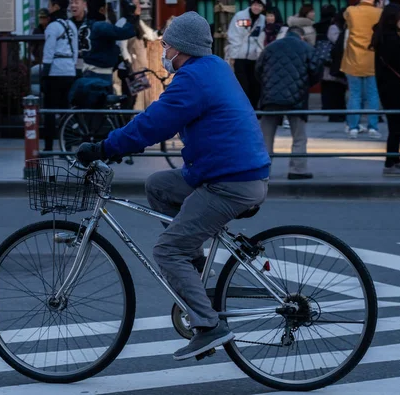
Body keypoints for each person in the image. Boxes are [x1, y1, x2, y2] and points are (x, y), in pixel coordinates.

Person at [74, 12, 271, 361]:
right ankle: (193, 265)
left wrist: (106, 147)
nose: (163, 50)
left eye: (166, 44)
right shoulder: (215, 68)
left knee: (167, 250)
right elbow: (158, 123)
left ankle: (209, 326)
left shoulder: (192, 79)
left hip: (229, 183)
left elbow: (154, 123)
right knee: (159, 185)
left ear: (180, 48)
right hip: (232, 173)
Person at [256, 26, 323, 180]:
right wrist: (304, 85)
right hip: (296, 98)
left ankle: (263, 170)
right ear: (301, 36)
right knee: (299, 135)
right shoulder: (306, 48)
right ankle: (297, 169)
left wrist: (267, 86)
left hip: (270, 97)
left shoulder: (270, 47)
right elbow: (316, 70)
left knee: (266, 135)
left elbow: (258, 69)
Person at [370, 3, 400, 177]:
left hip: (388, 86)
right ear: (393, 18)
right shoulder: (390, 39)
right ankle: (390, 163)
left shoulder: (384, 35)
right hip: (394, 88)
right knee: (395, 127)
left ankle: (395, 159)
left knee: (395, 126)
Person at [341, 0, 383, 139]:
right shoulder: (379, 12)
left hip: (353, 58)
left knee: (354, 94)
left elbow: (345, 18)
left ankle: (353, 127)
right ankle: (373, 127)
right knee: (373, 95)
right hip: (372, 58)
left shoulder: (351, 10)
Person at [41, 0, 78, 152]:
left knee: (49, 111)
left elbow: (48, 52)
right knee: (66, 110)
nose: (49, 8)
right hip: (69, 70)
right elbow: (75, 51)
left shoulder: (52, 26)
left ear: (56, 7)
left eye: (50, 5)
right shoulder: (72, 26)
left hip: (55, 71)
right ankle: (66, 147)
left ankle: (49, 147)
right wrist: (71, 66)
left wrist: (44, 74)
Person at [79, 0, 137, 85]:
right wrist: (130, 15)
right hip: (100, 74)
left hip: (87, 71)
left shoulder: (84, 25)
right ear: (102, 9)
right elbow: (126, 32)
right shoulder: (100, 26)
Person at [226, 0, 266, 110]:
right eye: (254, 4)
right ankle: (243, 109)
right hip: (240, 57)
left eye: (259, 5)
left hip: (255, 58)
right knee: (243, 84)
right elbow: (235, 37)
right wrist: (233, 56)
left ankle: (254, 109)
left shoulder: (263, 19)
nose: (256, 7)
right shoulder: (241, 16)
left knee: (255, 84)